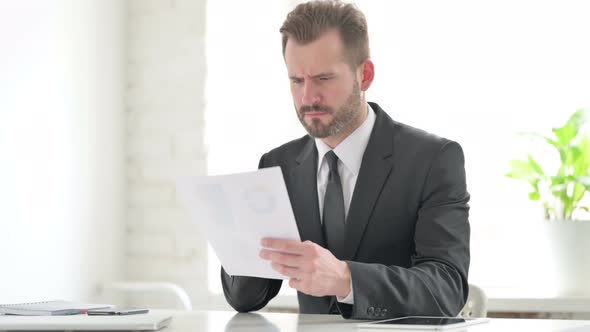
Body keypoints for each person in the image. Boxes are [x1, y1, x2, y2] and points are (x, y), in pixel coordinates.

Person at [221, 0, 470, 320]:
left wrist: (345, 279)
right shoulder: (278, 164)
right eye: (297, 80)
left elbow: (446, 289)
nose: (308, 97)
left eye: (324, 78)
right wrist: (235, 237)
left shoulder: (433, 160)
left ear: (365, 75)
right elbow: (247, 299)